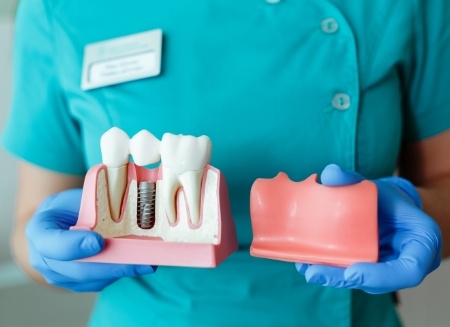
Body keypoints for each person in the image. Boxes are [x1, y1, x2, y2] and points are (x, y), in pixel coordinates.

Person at [2, 0, 450, 326]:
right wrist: (46, 253)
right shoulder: (55, 10)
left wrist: (414, 213)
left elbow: (443, 183)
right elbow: (29, 223)